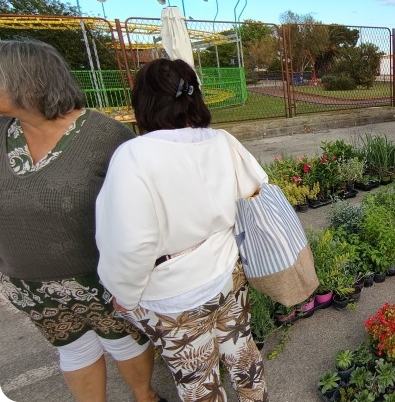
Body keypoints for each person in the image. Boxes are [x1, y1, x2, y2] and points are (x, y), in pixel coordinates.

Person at [95, 58, 269, 402]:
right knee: (241, 349)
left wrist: (125, 295)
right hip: (228, 270)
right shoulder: (221, 141)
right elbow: (259, 187)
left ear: (144, 102)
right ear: (195, 97)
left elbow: (129, 244)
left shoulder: (134, 155)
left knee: (197, 377)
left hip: (174, 291)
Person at [0, 39, 163, 402]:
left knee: (123, 340)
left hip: (99, 278)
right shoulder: (3, 132)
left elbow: (141, 209)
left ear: (26, 82)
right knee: (73, 349)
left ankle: (145, 395)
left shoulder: (106, 138)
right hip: (29, 282)